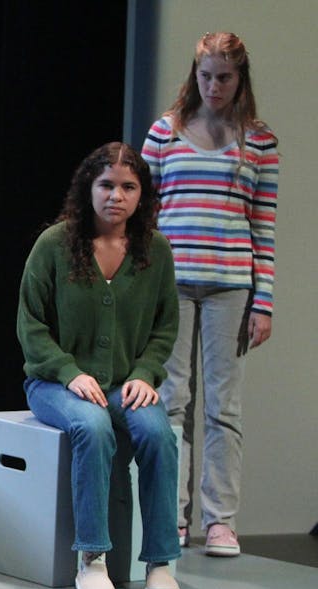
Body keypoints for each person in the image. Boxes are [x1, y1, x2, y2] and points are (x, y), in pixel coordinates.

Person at [17, 142, 182, 589]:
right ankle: (92, 558)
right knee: (92, 426)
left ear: (142, 194)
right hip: (55, 384)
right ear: (88, 188)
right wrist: (68, 372)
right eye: (106, 185)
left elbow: (166, 325)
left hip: (126, 384)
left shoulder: (156, 251)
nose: (116, 195)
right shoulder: (54, 245)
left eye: (128, 187)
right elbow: (30, 324)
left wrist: (146, 372)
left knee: (158, 435)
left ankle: (160, 562)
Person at [142, 32, 279, 557]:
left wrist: (262, 302)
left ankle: (219, 521)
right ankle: (170, 516)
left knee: (225, 406)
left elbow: (262, 230)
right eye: (205, 76)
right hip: (170, 283)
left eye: (224, 77)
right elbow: (144, 216)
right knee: (171, 401)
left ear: (240, 78)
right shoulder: (165, 132)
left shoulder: (258, 141)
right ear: (193, 75)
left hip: (230, 286)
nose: (214, 86)